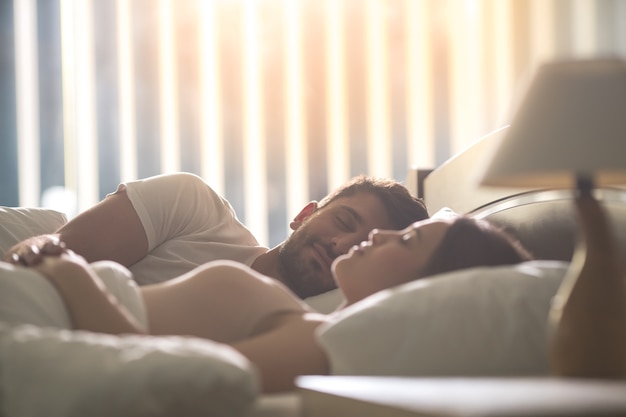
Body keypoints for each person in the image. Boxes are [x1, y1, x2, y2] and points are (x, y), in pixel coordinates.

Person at [19, 215, 533, 393]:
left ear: (432, 288)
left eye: (407, 241)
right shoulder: (310, 323)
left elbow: (140, 370)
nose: (380, 234)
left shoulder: (314, 343)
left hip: (45, 304)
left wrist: (65, 270)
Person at [3, 172, 429, 299]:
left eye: (361, 247)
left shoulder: (305, 332)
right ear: (302, 215)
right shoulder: (193, 206)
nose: (340, 246)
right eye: (342, 223)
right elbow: (45, 257)